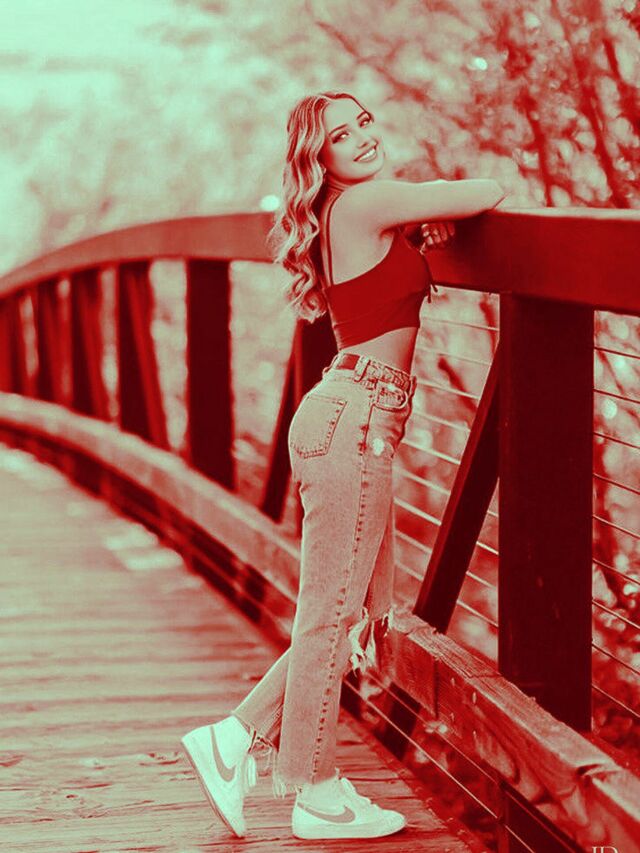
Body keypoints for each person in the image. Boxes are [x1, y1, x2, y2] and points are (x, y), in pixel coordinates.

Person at [181, 89, 506, 841]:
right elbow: (488, 190)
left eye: (364, 123)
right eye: (339, 135)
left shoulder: (350, 212)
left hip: (352, 418)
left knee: (349, 609)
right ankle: (316, 790)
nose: (361, 138)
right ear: (318, 158)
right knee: (332, 609)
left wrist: (414, 223)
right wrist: (421, 209)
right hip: (354, 421)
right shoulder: (365, 202)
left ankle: (235, 738)